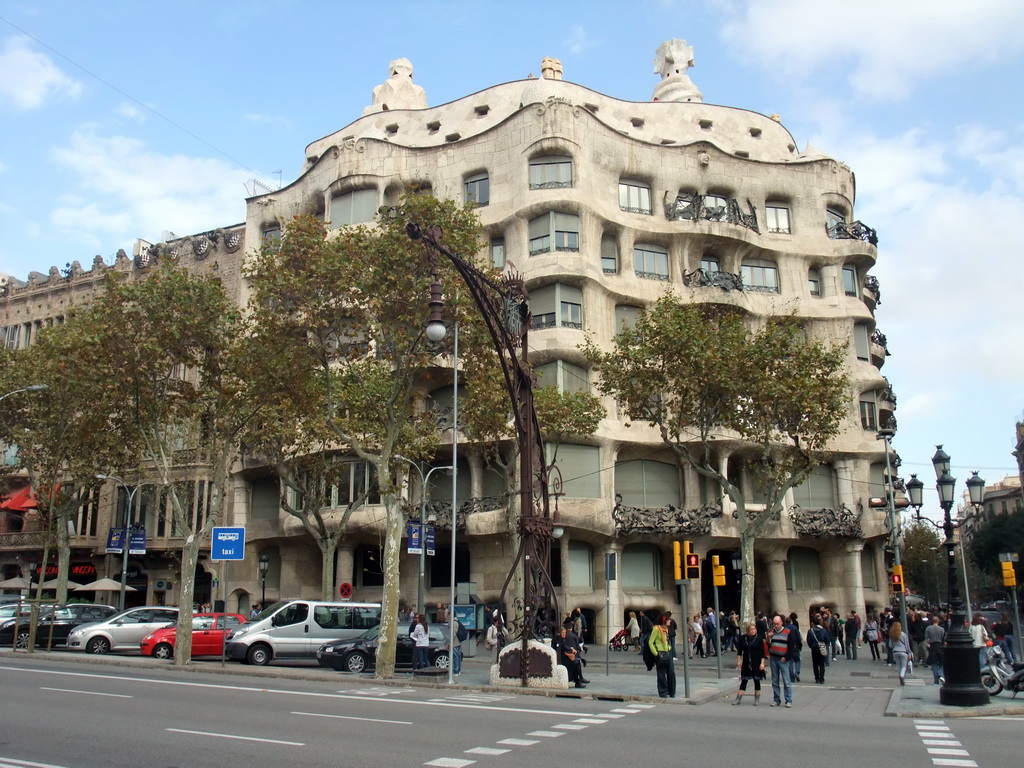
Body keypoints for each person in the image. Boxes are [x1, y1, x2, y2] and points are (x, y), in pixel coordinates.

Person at [767, 613, 798, 707]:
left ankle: (788, 700)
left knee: (786, 680)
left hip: (783, 658)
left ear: (782, 623)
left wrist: (787, 657)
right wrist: (769, 637)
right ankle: (776, 699)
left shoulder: (788, 632)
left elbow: (792, 647)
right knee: (775, 680)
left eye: (777, 624)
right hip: (773, 657)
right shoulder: (772, 631)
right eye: (774, 624)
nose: (776, 626)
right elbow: (768, 645)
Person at [733, 620, 766, 705]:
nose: (753, 631)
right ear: (748, 630)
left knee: (756, 680)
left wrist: (762, 663)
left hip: (756, 662)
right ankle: (738, 698)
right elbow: (740, 651)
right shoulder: (743, 638)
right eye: (751, 629)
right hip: (746, 662)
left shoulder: (758, 638)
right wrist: (739, 661)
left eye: (754, 629)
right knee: (744, 680)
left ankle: (757, 698)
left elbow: (763, 652)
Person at [649, 613, 676, 698]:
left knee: (671, 672)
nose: (670, 621)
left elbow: (667, 641)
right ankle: (663, 692)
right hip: (660, 653)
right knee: (661, 674)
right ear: (664, 620)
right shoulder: (656, 629)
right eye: (668, 619)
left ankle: (671, 692)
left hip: (667, 652)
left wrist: (669, 648)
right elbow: (650, 642)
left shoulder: (666, 629)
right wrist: (655, 653)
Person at [558, 619, 588, 688]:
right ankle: (578, 680)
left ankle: (578, 680)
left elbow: (564, 646)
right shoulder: (561, 639)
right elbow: (563, 647)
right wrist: (571, 650)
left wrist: (570, 649)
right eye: (562, 633)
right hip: (563, 658)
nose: (563, 634)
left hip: (565, 656)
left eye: (564, 633)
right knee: (575, 663)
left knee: (576, 662)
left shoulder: (562, 639)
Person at [807, 613, 831, 685]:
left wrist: (812, 646)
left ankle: (817, 678)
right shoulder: (823, 630)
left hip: (814, 649)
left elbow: (809, 641)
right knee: (821, 664)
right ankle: (822, 678)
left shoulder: (810, 631)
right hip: (821, 648)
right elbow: (827, 639)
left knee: (815, 664)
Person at [924, 615, 945, 685]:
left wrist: (930, 642)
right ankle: (941, 674)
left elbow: (926, 639)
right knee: (942, 662)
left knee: (934, 664)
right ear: (938, 621)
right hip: (940, 646)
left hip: (932, 646)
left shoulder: (928, 628)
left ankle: (936, 681)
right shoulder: (941, 629)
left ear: (932, 621)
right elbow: (944, 639)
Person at [890, 620, 910, 685]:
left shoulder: (892, 635)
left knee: (898, 666)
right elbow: (907, 645)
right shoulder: (903, 635)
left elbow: (890, 645)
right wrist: (909, 652)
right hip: (903, 651)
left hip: (895, 651)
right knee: (904, 666)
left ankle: (900, 678)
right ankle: (902, 676)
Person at [785, 613, 802, 682]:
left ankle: (791, 677)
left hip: (787, 647)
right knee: (797, 660)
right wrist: (799, 646)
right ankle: (797, 672)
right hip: (795, 646)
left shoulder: (784, 628)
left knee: (790, 662)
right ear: (791, 621)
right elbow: (798, 638)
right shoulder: (794, 628)